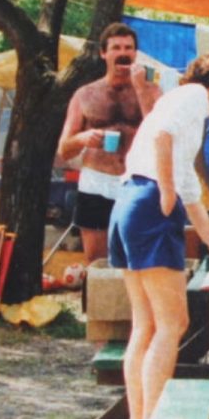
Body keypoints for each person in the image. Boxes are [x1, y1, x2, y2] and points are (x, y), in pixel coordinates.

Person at [107, 53, 209, 419]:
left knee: (146, 325)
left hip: (129, 200)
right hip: (150, 201)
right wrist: (165, 190)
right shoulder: (193, 97)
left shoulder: (184, 109)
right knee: (173, 323)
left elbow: (191, 194)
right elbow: (162, 138)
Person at [58, 23, 161, 263]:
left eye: (129, 48)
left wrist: (143, 90)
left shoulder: (152, 91)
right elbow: (64, 148)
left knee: (138, 258)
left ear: (136, 54)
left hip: (136, 181)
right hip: (96, 182)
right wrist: (83, 138)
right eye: (116, 48)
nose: (123, 53)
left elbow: (160, 133)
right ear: (104, 53)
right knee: (96, 261)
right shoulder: (85, 94)